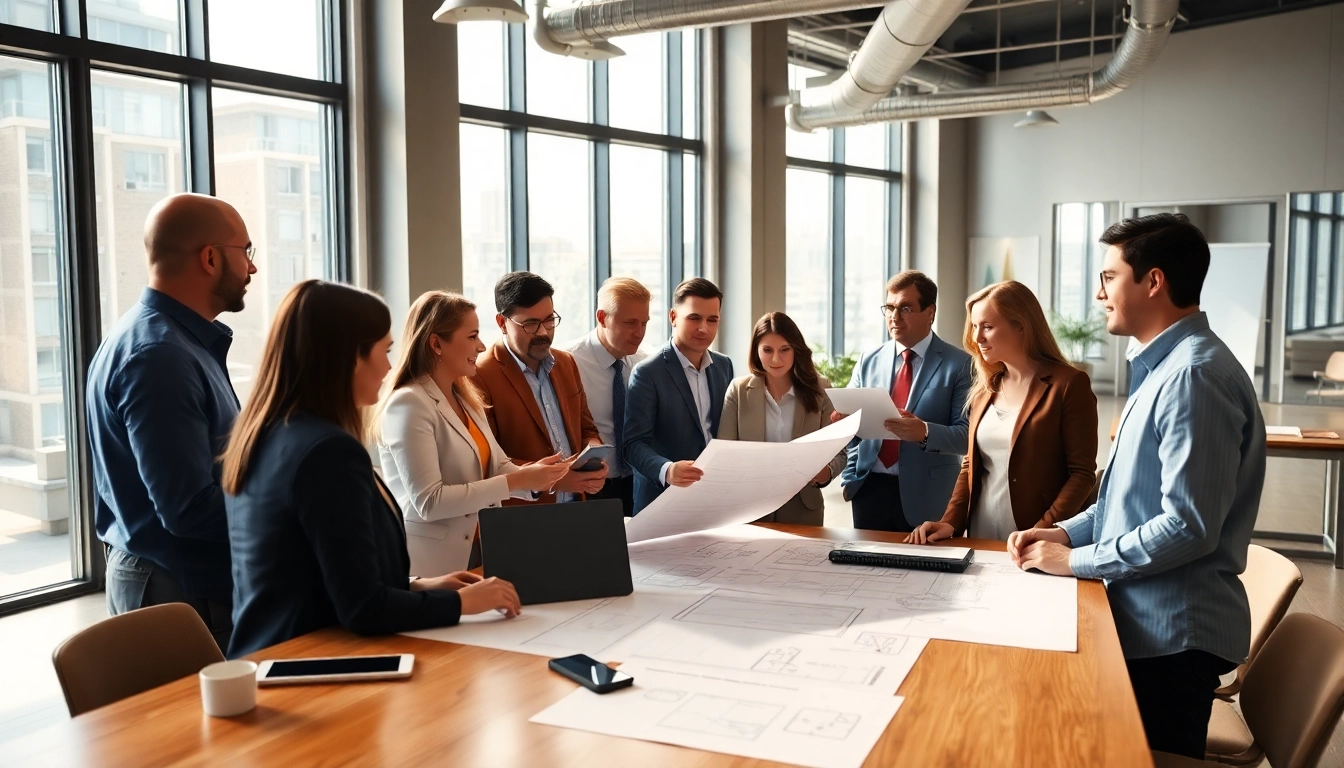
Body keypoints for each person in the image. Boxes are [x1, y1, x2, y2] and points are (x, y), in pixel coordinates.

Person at [1009, 213, 1266, 759]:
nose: (1100, 294)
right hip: (1146, 622)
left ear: (1153, 282)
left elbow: (1187, 527)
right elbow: (1124, 501)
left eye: (1109, 277)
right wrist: (1060, 535)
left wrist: (1072, 563)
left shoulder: (1193, 375)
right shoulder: (1163, 368)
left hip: (1171, 637)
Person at [223, 281, 521, 659]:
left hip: (275, 655)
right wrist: (462, 604)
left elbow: (324, 577)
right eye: (383, 351)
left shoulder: (269, 433)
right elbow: (364, 608)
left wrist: (421, 586)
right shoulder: (327, 451)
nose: (387, 366)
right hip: (311, 663)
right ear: (346, 357)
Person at [86, 193, 257, 651]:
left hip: (179, 584)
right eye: (247, 252)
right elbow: (187, 508)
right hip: (180, 591)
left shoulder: (167, 342)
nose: (252, 268)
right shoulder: (160, 357)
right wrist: (289, 508)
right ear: (210, 258)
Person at [377, 291, 572, 576]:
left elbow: (496, 465)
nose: (481, 347)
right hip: (433, 564)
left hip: (483, 547)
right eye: (472, 336)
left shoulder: (467, 399)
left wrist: (536, 476)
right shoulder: (408, 403)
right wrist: (513, 480)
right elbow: (429, 502)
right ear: (436, 344)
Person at [906, 281, 1097, 544]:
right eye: (974, 327)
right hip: (981, 535)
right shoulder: (985, 387)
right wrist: (950, 522)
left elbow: (1082, 474)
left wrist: (1043, 531)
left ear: (1021, 325)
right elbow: (969, 466)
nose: (976, 338)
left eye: (987, 326)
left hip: (1035, 540)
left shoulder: (1069, 384)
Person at [837, 270, 973, 533]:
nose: (894, 317)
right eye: (889, 307)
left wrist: (924, 432)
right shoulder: (869, 360)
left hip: (929, 496)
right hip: (869, 490)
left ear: (930, 312)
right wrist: (851, 471)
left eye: (905, 308)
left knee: (927, 572)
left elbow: (966, 435)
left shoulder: (960, 365)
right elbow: (853, 430)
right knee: (866, 572)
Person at [471, 272, 607, 504]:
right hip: (522, 518)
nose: (543, 332)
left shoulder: (566, 363)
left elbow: (587, 429)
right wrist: (556, 479)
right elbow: (487, 460)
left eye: (549, 320)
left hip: (577, 507)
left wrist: (594, 457)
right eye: (531, 324)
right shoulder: (480, 375)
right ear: (502, 323)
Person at [718, 312, 845, 526]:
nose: (776, 359)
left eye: (785, 349)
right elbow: (725, 453)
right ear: (756, 351)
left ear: (796, 349)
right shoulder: (739, 390)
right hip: (749, 510)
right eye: (767, 350)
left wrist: (826, 473)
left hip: (804, 509)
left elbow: (840, 454)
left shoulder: (821, 389)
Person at [625, 278, 735, 514]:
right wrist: (667, 470)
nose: (703, 328)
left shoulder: (724, 366)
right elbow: (633, 444)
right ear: (673, 317)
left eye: (712, 320)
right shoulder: (647, 373)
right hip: (662, 502)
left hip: (713, 499)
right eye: (694, 318)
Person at [561, 277, 652, 516]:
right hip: (589, 490)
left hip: (638, 484)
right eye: (630, 322)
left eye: (644, 323)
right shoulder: (566, 363)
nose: (639, 332)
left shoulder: (643, 364)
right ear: (602, 318)